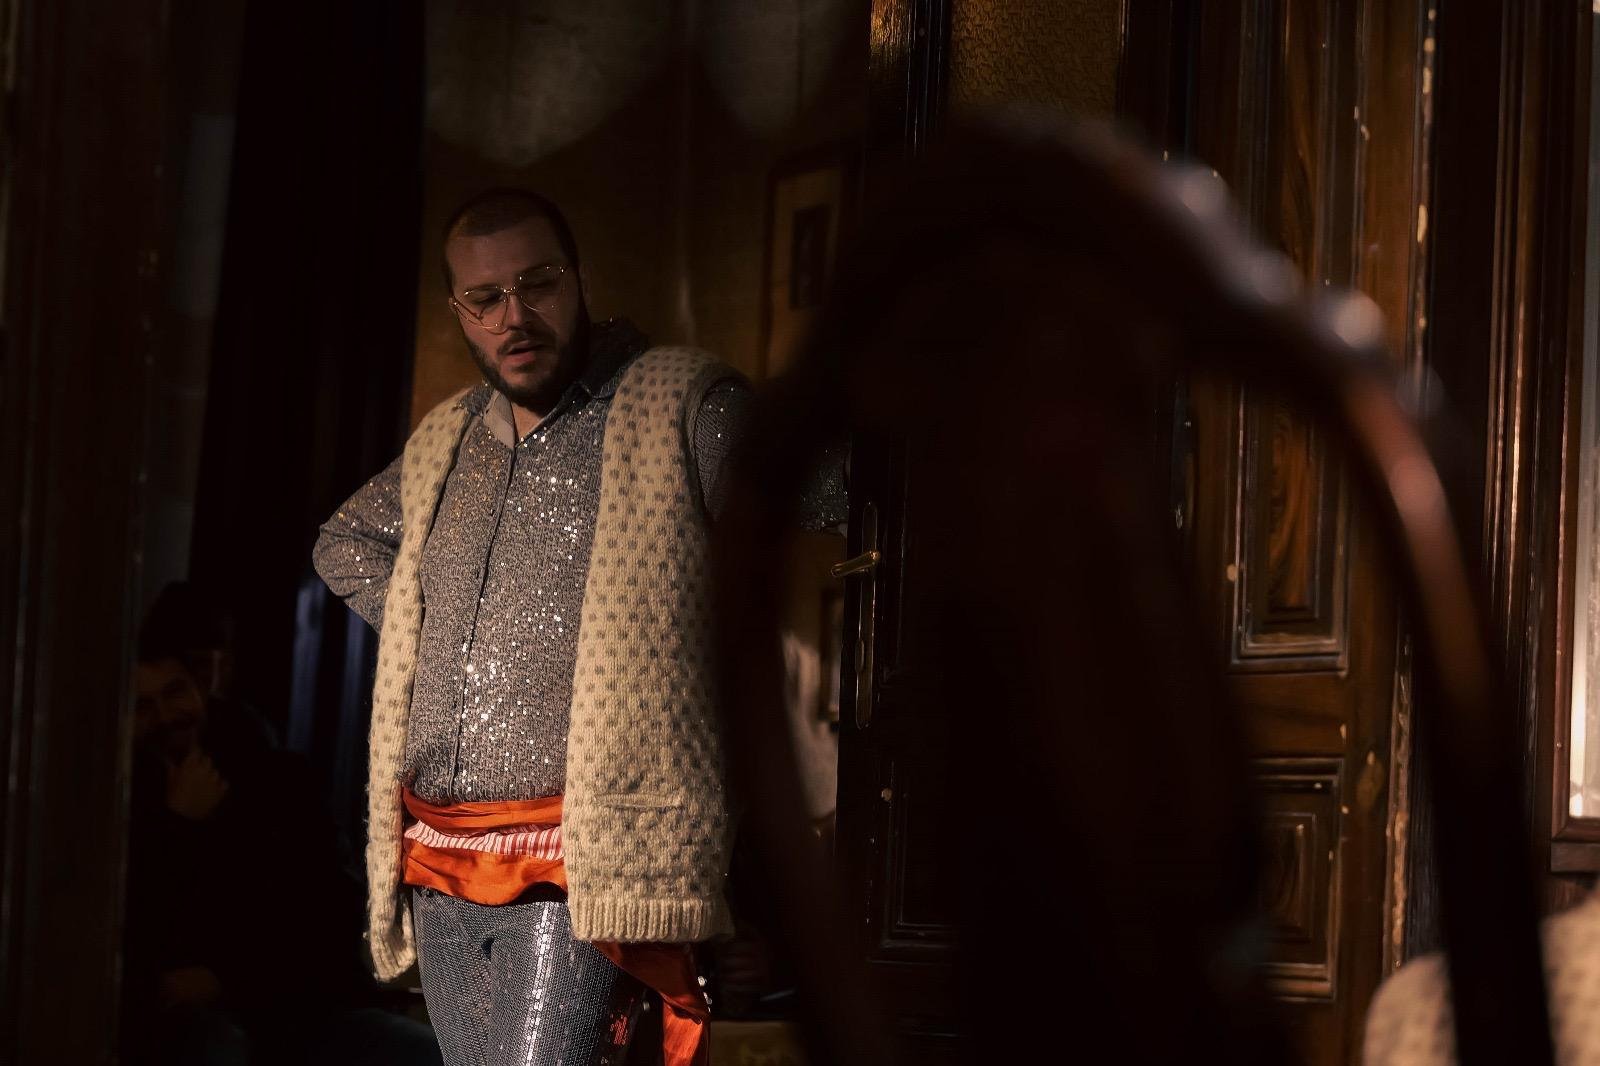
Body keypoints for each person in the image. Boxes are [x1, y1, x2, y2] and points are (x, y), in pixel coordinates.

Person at [313, 188, 845, 1066]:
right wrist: (436, 633)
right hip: (441, 854)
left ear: (579, 279)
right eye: (485, 298)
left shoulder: (677, 402)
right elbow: (344, 543)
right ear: (459, 311)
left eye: (538, 284)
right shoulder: (451, 436)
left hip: (583, 856)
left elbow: (833, 490)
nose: (514, 317)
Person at [124, 598, 442, 1066]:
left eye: (175, 693)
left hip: (303, 1011)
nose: (166, 715)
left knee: (422, 1054)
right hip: (190, 1025)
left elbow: (328, 913)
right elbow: (142, 933)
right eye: (143, 706)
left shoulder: (276, 780)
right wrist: (178, 827)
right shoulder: (117, 808)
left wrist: (228, 978)